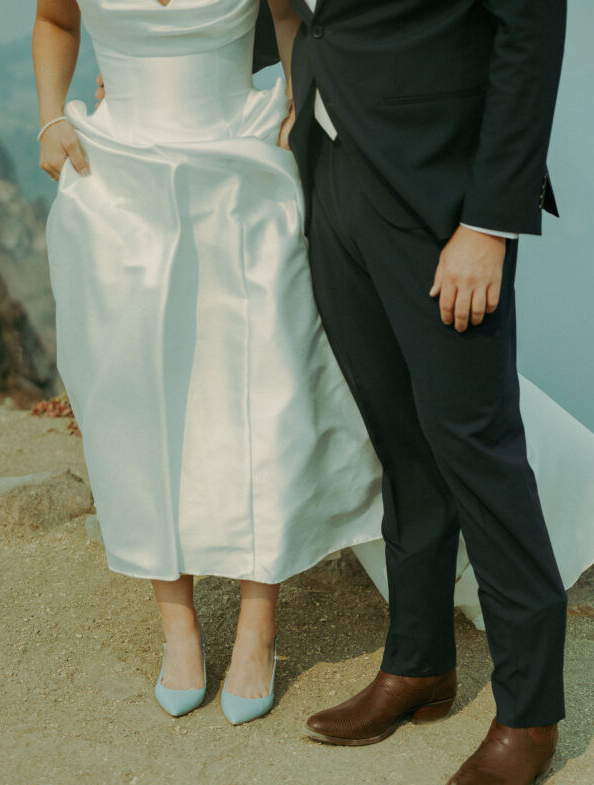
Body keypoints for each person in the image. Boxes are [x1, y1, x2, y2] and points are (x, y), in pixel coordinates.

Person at [271, 0, 594, 785]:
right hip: (331, 171)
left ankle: (529, 711)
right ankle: (416, 663)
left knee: (472, 442)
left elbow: (531, 33)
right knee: (397, 440)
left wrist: (488, 223)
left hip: (443, 197)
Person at [33, 0, 385, 726]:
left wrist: (294, 102)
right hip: (117, 182)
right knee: (134, 399)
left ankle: (259, 622)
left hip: (243, 170)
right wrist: (49, 118)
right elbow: (57, 22)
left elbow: (290, 17)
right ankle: (179, 627)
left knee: (265, 386)